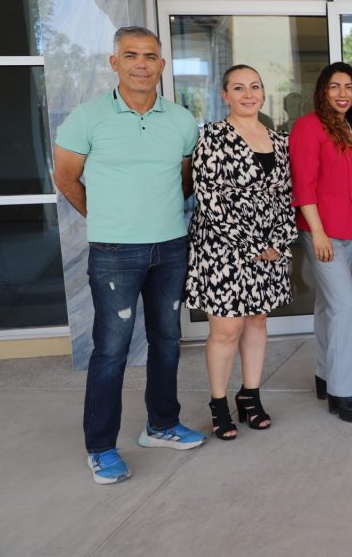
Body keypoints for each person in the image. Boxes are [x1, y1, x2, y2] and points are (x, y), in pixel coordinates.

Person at [53, 26, 206, 484]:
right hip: (114, 252)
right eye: (132, 55)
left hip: (171, 247)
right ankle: (101, 447)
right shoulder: (87, 117)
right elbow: (66, 178)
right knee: (111, 350)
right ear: (114, 62)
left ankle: (161, 425)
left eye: (151, 56)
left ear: (162, 65)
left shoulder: (181, 120)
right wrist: (106, 218)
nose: (142, 64)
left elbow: (184, 180)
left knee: (167, 341)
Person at [185, 65, 298, 439]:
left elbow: (286, 195)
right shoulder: (212, 137)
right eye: (238, 88)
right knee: (227, 328)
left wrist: (279, 241)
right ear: (225, 95)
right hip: (223, 247)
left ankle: (250, 395)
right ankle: (219, 402)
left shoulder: (279, 140)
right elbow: (210, 199)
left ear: (263, 92)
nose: (248, 94)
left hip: (269, 247)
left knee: (257, 320)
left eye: (255, 86)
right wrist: (252, 244)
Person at [290, 62, 352, 422]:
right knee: (345, 306)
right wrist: (318, 232)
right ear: (323, 90)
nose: (342, 94)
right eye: (335, 86)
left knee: (328, 305)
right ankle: (343, 391)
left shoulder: (351, 127)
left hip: (348, 229)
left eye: (349, 87)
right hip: (322, 231)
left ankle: (325, 375)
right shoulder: (309, 126)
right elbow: (303, 185)